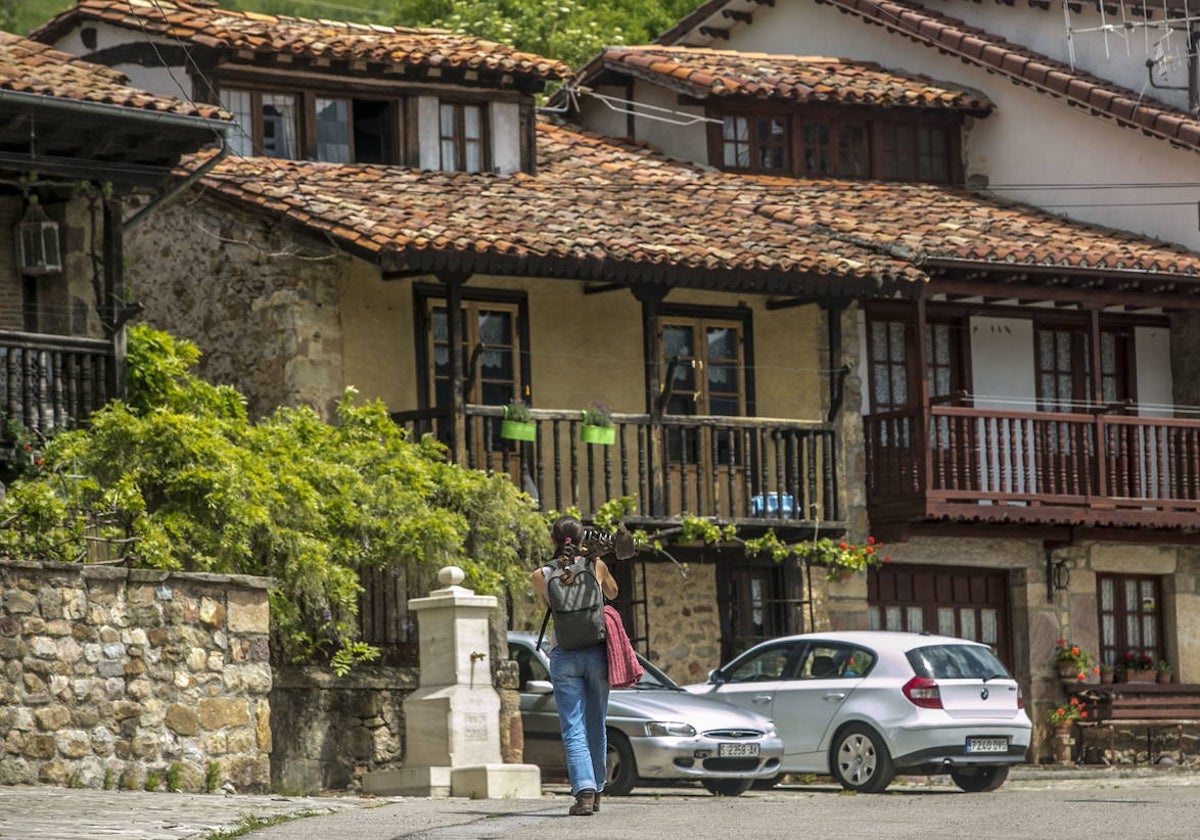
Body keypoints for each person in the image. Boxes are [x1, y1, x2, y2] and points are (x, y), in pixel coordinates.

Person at [531, 514, 619, 816]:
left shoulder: (540, 574)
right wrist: (597, 563)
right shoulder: (596, 565)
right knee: (597, 724)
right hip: (596, 652)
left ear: (553, 540)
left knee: (573, 727)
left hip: (564, 654)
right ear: (583, 539)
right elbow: (613, 593)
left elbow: (551, 607)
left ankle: (583, 792)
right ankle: (596, 791)